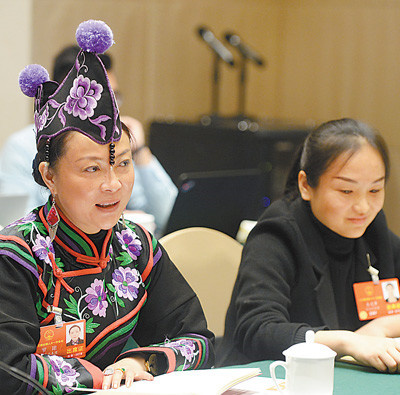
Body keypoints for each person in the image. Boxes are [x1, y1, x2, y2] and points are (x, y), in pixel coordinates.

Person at [0, 20, 214, 394]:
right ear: (49, 177)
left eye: (123, 163)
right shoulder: (16, 255)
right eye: (92, 168)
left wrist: (140, 360)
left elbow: (200, 339)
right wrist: (98, 378)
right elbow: (8, 369)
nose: (113, 184)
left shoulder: (136, 246)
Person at [217, 118, 400, 373]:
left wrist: (382, 327)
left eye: (375, 190)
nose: (363, 207)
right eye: (346, 191)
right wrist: (347, 341)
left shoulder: (374, 230)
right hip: (269, 379)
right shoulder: (277, 234)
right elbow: (257, 330)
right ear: (305, 185)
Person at [0, 45, 177, 235]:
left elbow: (169, 215)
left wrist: (139, 151)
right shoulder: (21, 147)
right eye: (92, 168)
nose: (111, 107)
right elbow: (17, 222)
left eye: (114, 96)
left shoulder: (117, 143)